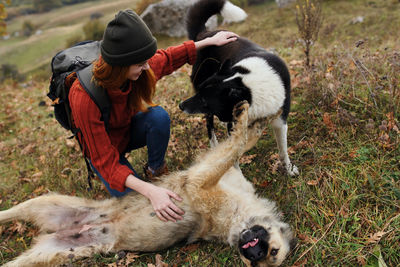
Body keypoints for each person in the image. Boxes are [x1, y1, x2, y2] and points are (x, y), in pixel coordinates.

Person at [68, 9, 238, 223]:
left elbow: (165, 58)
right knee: (139, 206)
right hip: (105, 152)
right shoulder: (83, 96)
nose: (147, 67)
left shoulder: (138, 68)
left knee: (158, 116)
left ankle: (155, 170)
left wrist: (205, 43)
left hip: (127, 130)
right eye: (140, 64)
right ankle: (147, 187)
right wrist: (149, 192)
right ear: (120, 66)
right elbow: (105, 161)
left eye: (145, 61)